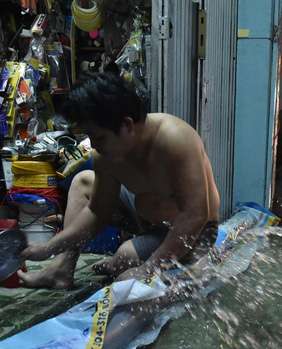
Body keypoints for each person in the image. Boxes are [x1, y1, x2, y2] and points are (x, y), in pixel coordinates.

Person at [18, 72, 220, 289]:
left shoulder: (175, 139)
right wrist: (48, 248)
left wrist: (148, 268)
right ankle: (61, 270)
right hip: (145, 217)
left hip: (195, 232)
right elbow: (96, 213)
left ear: (127, 124)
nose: (93, 145)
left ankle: (124, 261)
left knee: (125, 258)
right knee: (82, 182)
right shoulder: (105, 157)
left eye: (99, 137)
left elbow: (197, 213)